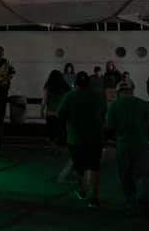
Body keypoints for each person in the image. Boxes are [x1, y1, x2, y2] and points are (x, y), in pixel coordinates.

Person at [56, 71, 107, 208]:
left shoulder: (70, 96)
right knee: (94, 167)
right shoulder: (97, 96)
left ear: (75, 83)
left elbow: (60, 114)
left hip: (76, 138)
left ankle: (83, 191)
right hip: (96, 137)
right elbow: (104, 113)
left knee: (80, 168)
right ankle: (94, 197)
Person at [106, 80, 149, 218]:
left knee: (126, 176)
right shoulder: (143, 104)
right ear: (132, 90)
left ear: (119, 92)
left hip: (123, 145)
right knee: (140, 175)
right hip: (141, 144)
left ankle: (131, 204)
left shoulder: (114, 105)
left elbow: (109, 127)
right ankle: (142, 200)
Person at [41, 69, 71, 145]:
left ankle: (51, 143)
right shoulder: (65, 87)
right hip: (61, 113)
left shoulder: (48, 86)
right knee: (61, 133)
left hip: (50, 113)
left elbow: (44, 100)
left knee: (51, 134)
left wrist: (42, 110)